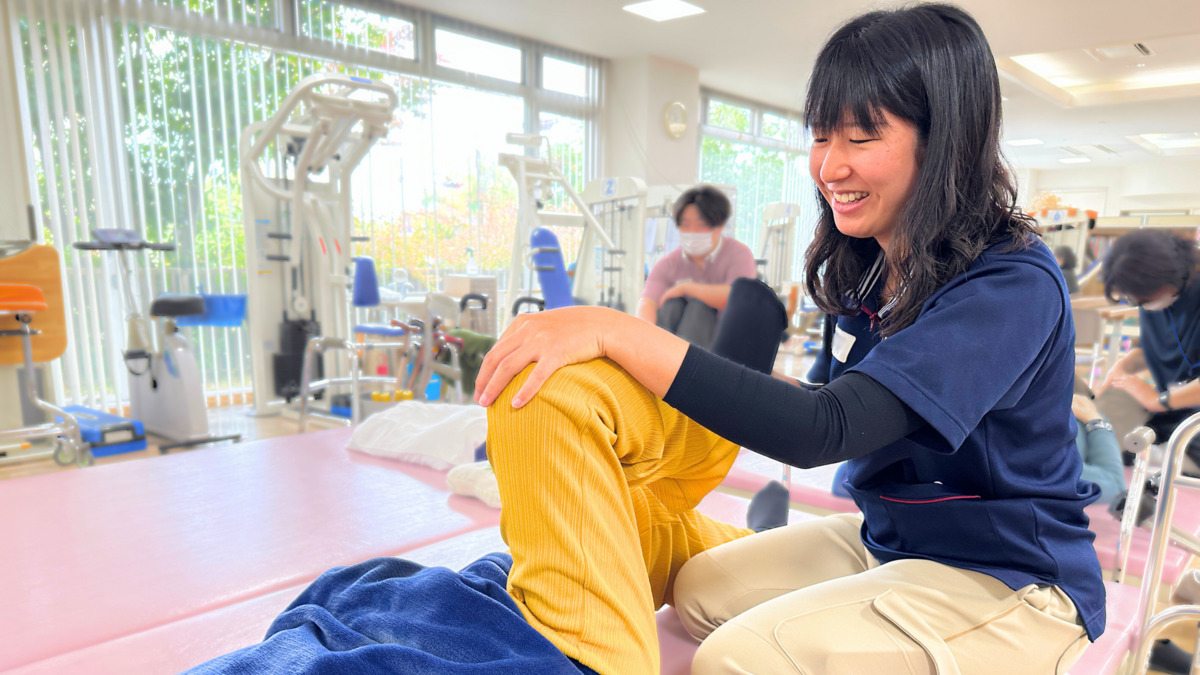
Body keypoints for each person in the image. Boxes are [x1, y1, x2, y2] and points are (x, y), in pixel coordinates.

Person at [473, 4, 1104, 673]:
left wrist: (619, 332)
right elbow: (831, 396)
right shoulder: (867, 269)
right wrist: (659, 380)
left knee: (734, 658)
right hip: (890, 537)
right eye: (820, 136)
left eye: (861, 138)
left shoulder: (1010, 284)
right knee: (697, 591)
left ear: (944, 137)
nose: (828, 166)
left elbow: (820, 428)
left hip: (1011, 575)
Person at [1098, 228, 1200, 471]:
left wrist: (1160, 400)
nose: (1139, 304)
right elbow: (1151, 348)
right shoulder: (1155, 299)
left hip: (1185, 409)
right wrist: (1123, 367)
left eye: (1141, 299)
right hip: (1177, 403)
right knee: (1109, 408)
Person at [636, 185, 757, 346]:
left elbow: (738, 297)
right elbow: (648, 301)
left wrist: (687, 288)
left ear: (719, 226)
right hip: (669, 347)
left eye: (701, 225)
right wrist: (645, 333)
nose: (692, 232)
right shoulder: (667, 264)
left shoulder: (739, 254)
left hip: (724, 345)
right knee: (672, 304)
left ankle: (686, 364)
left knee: (700, 307)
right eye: (685, 225)